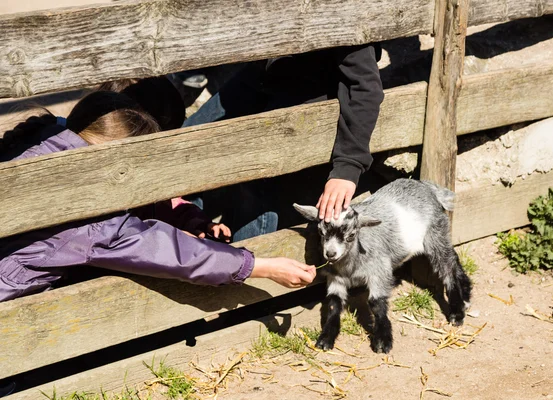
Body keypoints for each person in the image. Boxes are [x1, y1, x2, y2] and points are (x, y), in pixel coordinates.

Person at [0, 91, 316, 303]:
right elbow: (169, 252)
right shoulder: (89, 218)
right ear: (119, 165)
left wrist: (186, 215)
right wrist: (260, 266)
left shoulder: (40, 140)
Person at [182, 44, 384, 236]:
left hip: (310, 86)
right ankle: (192, 231)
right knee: (187, 142)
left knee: (256, 171)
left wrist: (348, 168)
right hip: (262, 74)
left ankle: (249, 260)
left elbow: (365, 87)